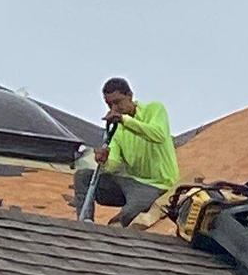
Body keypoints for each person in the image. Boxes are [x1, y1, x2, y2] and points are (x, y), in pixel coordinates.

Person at [75, 77, 179, 226]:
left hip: (158, 186)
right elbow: (114, 165)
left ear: (130, 96)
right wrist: (105, 161)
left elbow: (158, 134)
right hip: (130, 182)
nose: (114, 108)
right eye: (109, 104)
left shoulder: (155, 109)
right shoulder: (117, 129)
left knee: (123, 219)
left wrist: (125, 120)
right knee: (83, 176)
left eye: (117, 102)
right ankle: (85, 222)